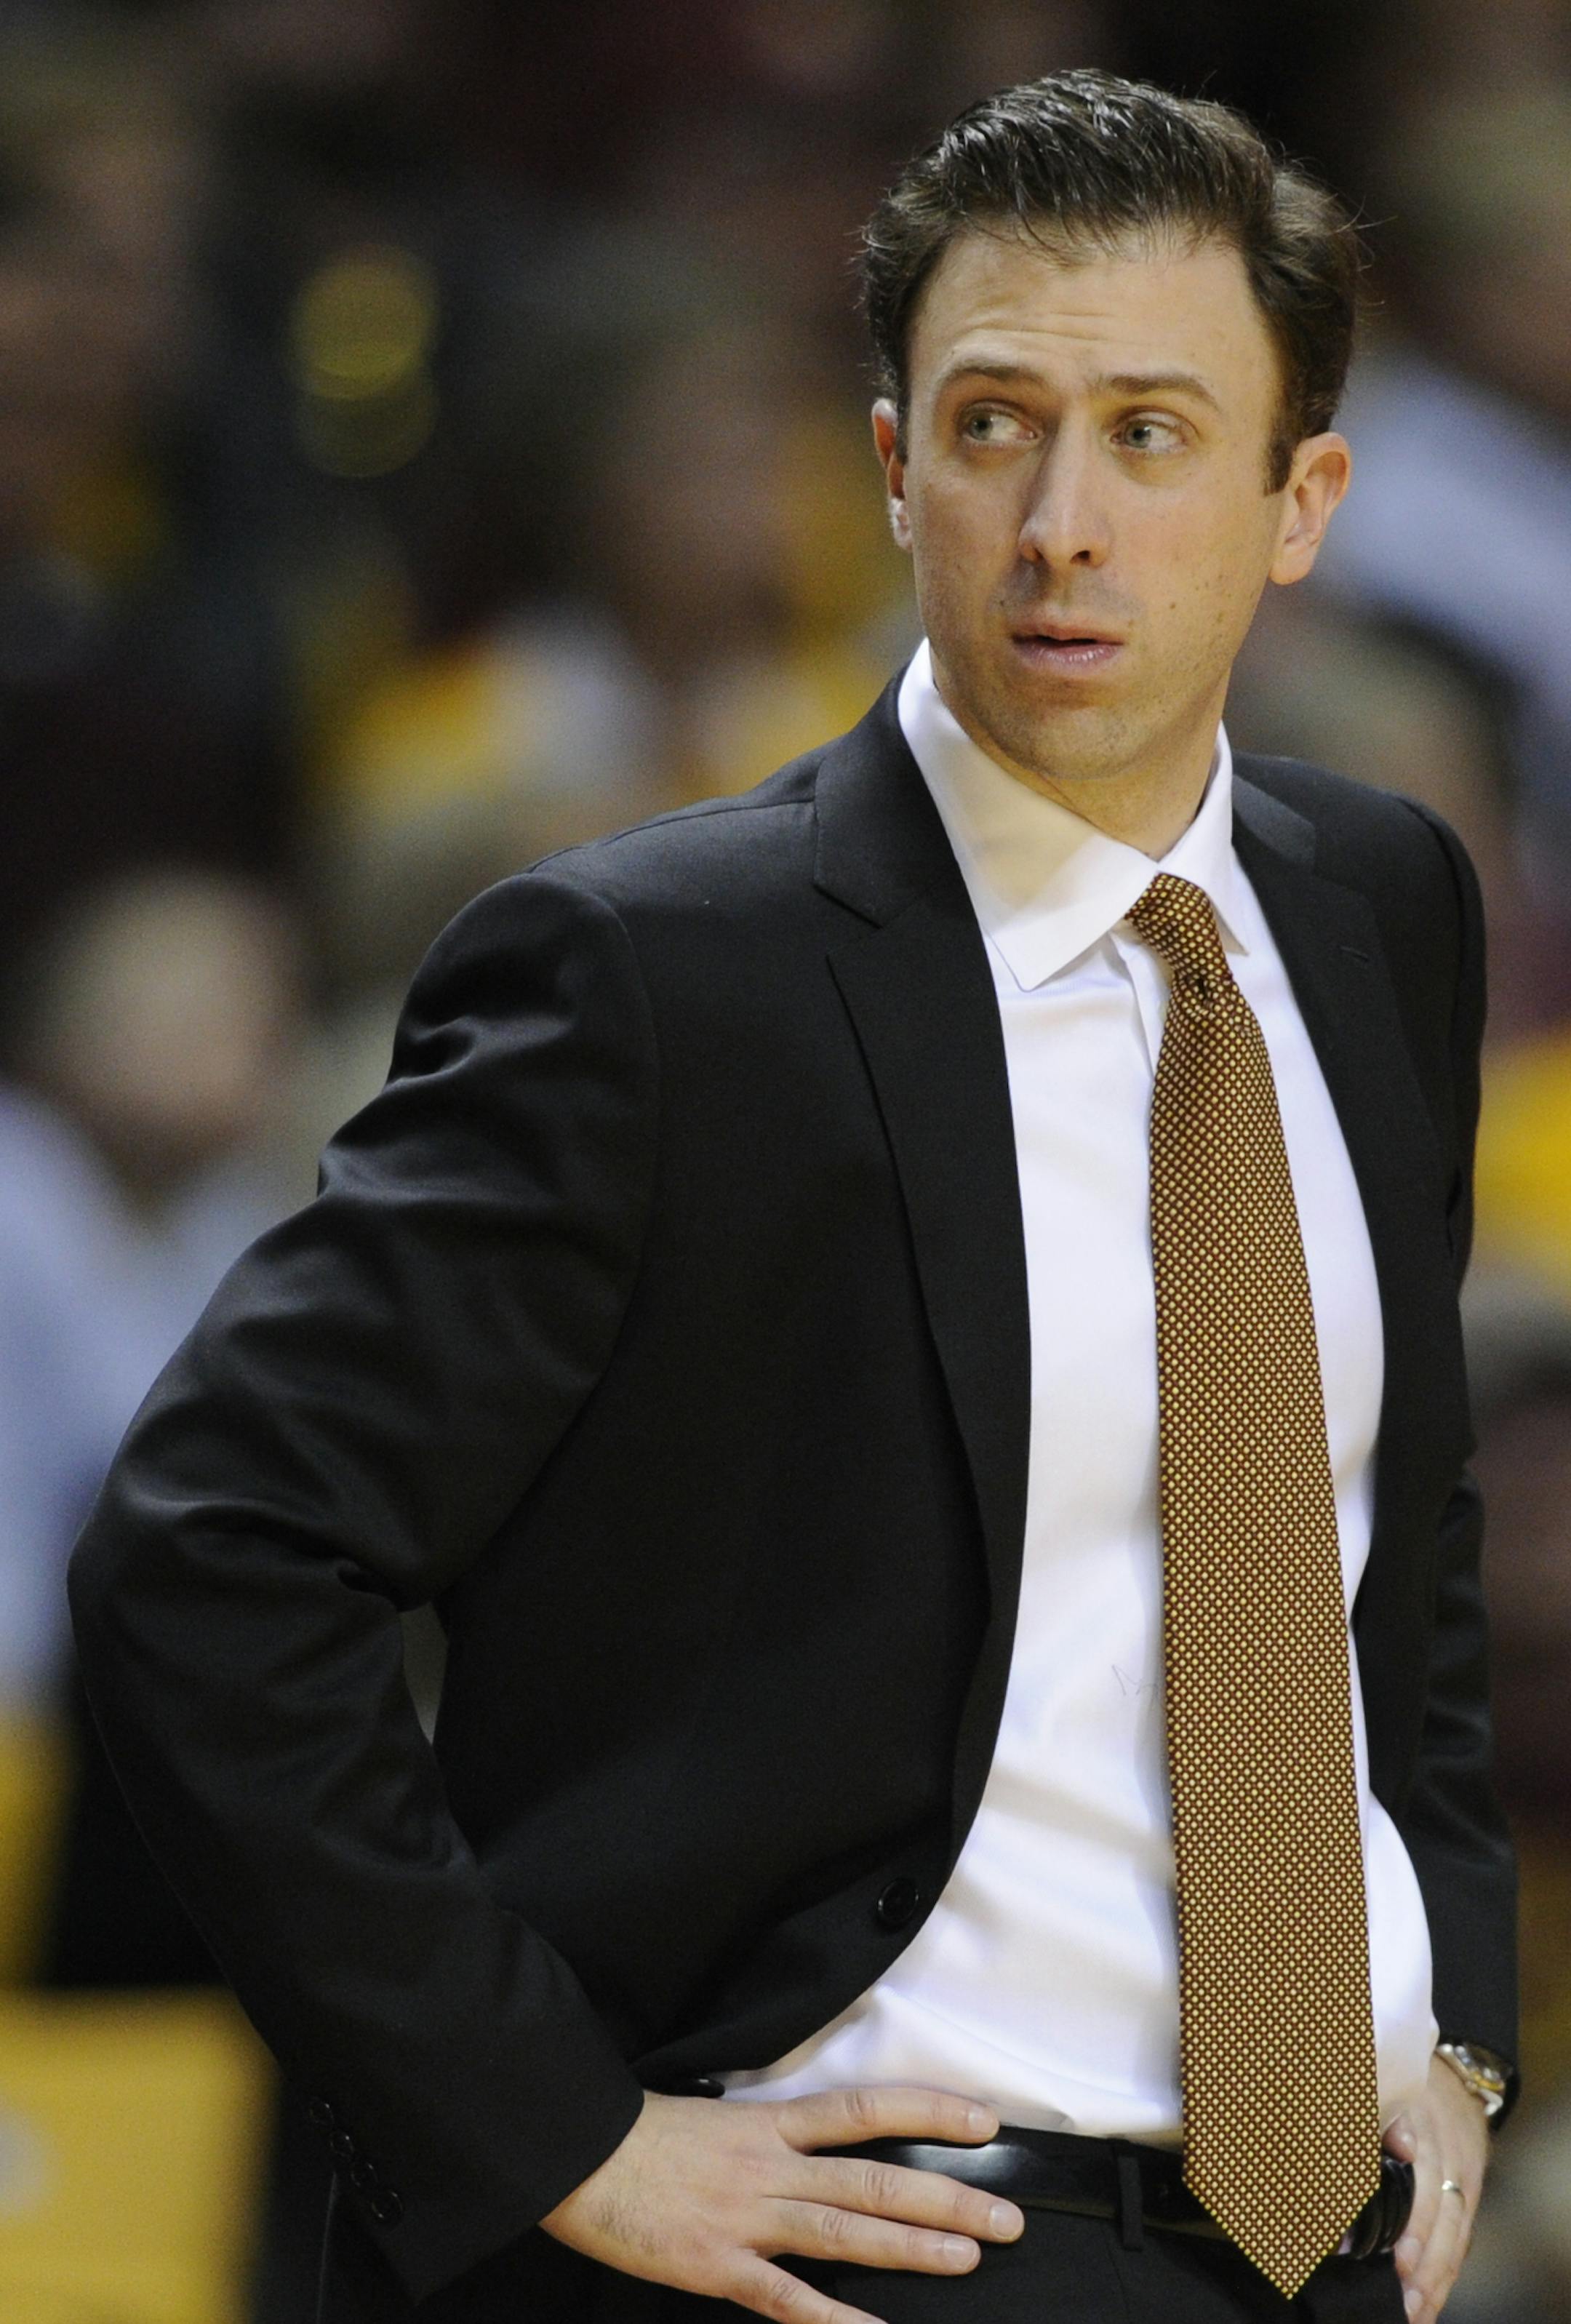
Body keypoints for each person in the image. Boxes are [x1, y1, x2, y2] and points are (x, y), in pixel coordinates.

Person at [68, 70, 1516, 2324]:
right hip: (850, 2245)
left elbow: (1391, 1544)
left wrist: (1456, 2009)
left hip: (1332, 2240)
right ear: (893, 469)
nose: (1060, 523)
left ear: (1298, 498)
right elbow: (209, 1553)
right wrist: (553, 2127)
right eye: (994, 426)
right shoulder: (655, 976)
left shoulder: (1379, 905)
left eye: (1150, 435)